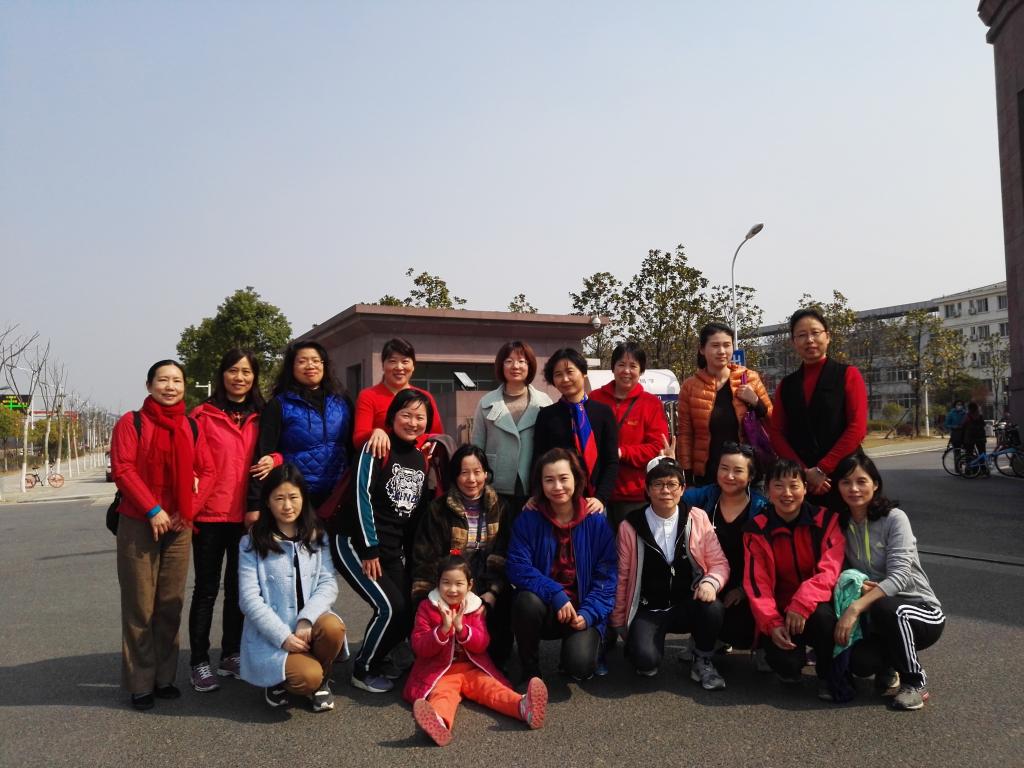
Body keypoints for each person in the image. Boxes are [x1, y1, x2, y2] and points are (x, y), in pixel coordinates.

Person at [111, 359, 214, 710]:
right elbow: (123, 469)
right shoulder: (132, 422)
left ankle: (164, 677)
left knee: (170, 604)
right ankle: (140, 682)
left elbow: (208, 470)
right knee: (140, 604)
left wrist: (189, 510)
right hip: (139, 523)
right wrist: (152, 509)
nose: (170, 387)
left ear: (184, 386)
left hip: (179, 524)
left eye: (177, 381)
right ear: (149, 385)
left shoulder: (191, 426)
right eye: (163, 380)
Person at [188, 349, 279, 693]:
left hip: (249, 516)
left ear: (254, 377)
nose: (239, 378)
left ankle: (230, 654)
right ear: (222, 374)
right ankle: (199, 661)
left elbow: (279, 449)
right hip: (210, 515)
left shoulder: (263, 414)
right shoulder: (202, 415)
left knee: (239, 591)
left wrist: (275, 458)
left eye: (246, 372)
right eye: (233, 371)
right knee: (206, 590)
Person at [335, 388, 432, 693]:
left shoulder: (421, 458)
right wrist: (369, 549)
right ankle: (363, 668)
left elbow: (415, 515)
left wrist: (413, 560)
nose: (413, 422)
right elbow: (360, 497)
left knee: (407, 607)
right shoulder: (377, 447)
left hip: (390, 550)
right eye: (406, 415)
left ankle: (383, 656)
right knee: (389, 608)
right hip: (355, 543)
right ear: (392, 417)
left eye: (420, 417)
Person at [833, 453, 945, 710]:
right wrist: (859, 587)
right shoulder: (841, 524)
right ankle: (890, 663)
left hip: (921, 611)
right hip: (878, 616)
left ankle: (915, 682)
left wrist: (855, 607)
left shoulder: (895, 518)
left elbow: (900, 576)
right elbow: (842, 571)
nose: (854, 489)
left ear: (875, 484)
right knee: (861, 663)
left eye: (861, 481)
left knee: (888, 608)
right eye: (846, 482)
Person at [405, 554, 548, 747]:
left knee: (491, 689)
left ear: (470, 585)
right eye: (446, 583)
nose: (453, 589)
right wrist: (442, 630)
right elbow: (419, 646)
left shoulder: (474, 607)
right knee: (442, 696)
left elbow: (482, 643)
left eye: (459, 583)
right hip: (441, 672)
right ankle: (439, 723)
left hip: (472, 669)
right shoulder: (427, 607)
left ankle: (524, 707)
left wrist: (462, 629)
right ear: (437, 583)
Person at [610, 458, 729, 689]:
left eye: (672, 484)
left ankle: (702, 658)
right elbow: (622, 576)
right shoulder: (630, 526)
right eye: (658, 484)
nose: (665, 490)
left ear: (682, 489)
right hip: (649, 608)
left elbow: (719, 562)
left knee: (713, 607)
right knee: (646, 663)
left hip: (687, 602)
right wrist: (618, 621)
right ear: (647, 489)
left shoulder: (697, 517)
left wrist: (710, 583)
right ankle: (641, 648)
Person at [238, 464, 346, 712]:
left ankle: (322, 678)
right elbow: (249, 599)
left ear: (303, 498)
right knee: (307, 677)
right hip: (273, 635)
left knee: (333, 628)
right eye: (279, 498)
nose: (287, 506)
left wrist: (307, 619)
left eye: (293, 497)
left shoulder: (317, 536)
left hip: (307, 626)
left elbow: (328, 583)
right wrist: (282, 637)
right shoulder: (251, 542)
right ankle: (277, 680)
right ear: (268, 502)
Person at [506, 448, 617, 683]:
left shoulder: (596, 521)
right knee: (525, 601)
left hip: (582, 607)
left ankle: (591, 645)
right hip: (546, 606)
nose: (557, 487)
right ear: (540, 484)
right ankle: (530, 670)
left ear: (576, 478)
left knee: (580, 666)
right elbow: (517, 567)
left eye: (563, 478)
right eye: (549, 480)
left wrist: (589, 613)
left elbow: (607, 578)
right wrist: (555, 593)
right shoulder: (529, 518)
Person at [743, 459, 844, 700]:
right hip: (779, 610)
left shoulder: (826, 520)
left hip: (817, 605)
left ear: (805, 488)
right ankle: (790, 657)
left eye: (794, 485)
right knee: (786, 667)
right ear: (767, 490)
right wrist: (772, 623)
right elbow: (757, 583)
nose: (787, 493)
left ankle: (827, 674)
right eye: (778, 486)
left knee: (823, 618)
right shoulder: (756, 528)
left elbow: (830, 570)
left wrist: (802, 603)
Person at [411, 445, 513, 667]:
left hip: (487, 581)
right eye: (464, 472)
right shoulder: (438, 509)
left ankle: (496, 659)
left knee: (506, 614)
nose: (472, 479)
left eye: (477, 472)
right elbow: (426, 558)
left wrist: (493, 592)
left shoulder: (501, 507)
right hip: (451, 582)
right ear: (455, 476)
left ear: (486, 473)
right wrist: (434, 597)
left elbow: (505, 554)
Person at [768, 309, 868, 504]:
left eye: (815, 333)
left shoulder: (848, 375)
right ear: (793, 342)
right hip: (802, 483)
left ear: (827, 336)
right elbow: (776, 433)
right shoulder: (787, 385)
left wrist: (823, 469)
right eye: (802, 335)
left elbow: (857, 427)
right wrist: (803, 471)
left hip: (845, 476)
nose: (810, 340)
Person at [247, 341, 353, 516]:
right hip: (296, 498)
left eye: (316, 360)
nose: (310, 366)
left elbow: (353, 447)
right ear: (292, 367)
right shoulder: (279, 405)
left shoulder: (342, 402)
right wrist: (254, 505)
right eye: (302, 361)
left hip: (338, 496)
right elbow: (263, 457)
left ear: (324, 365)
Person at [683, 442, 769, 650]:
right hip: (707, 579)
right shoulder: (706, 496)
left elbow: (765, 561)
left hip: (744, 584)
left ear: (750, 476)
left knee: (741, 635)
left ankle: (757, 645)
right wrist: (666, 465)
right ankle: (704, 643)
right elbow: (671, 495)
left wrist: (742, 589)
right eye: (724, 468)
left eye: (738, 471)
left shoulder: (761, 508)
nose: (729, 476)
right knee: (706, 611)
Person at [676, 322, 772, 487]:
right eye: (715, 345)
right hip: (707, 476)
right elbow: (685, 434)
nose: (722, 351)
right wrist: (687, 475)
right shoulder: (690, 386)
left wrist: (756, 402)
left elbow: (773, 421)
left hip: (747, 474)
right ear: (702, 349)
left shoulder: (750, 378)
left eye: (727, 345)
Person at [589, 341, 671, 528]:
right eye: (621, 364)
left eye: (633, 366)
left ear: (641, 370)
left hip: (634, 494)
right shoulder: (595, 398)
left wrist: (621, 452)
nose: (626, 371)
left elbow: (657, 447)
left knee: (632, 544)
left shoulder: (651, 404)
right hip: (597, 492)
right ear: (613, 368)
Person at [471, 340, 552, 518]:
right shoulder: (486, 402)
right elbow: (477, 447)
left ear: (530, 366)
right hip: (495, 484)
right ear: (501, 366)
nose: (515, 366)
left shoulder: (544, 402)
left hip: (533, 486)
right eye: (508, 361)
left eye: (522, 361)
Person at [533, 348, 619, 514]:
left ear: (583, 373)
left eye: (570, 372)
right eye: (558, 374)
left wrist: (601, 497)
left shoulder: (603, 412)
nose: (565, 379)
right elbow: (538, 460)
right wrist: (536, 495)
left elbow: (611, 461)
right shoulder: (546, 415)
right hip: (558, 502)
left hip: (594, 503)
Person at [353, 337, 443, 457]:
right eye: (392, 361)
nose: (399, 367)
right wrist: (375, 433)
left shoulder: (425, 397)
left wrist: (429, 444)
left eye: (405, 361)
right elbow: (358, 439)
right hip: (383, 463)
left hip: (418, 463)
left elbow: (438, 436)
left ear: (413, 366)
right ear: (383, 365)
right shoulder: (368, 396)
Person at [962, 401, 988, 467]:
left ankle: (969, 468)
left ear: (969, 408)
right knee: (982, 453)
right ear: (977, 408)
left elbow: (963, 425)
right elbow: (983, 424)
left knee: (969, 454)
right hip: (980, 437)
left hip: (970, 437)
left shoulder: (967, 416)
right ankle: (983, 468)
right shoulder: (980, 416)